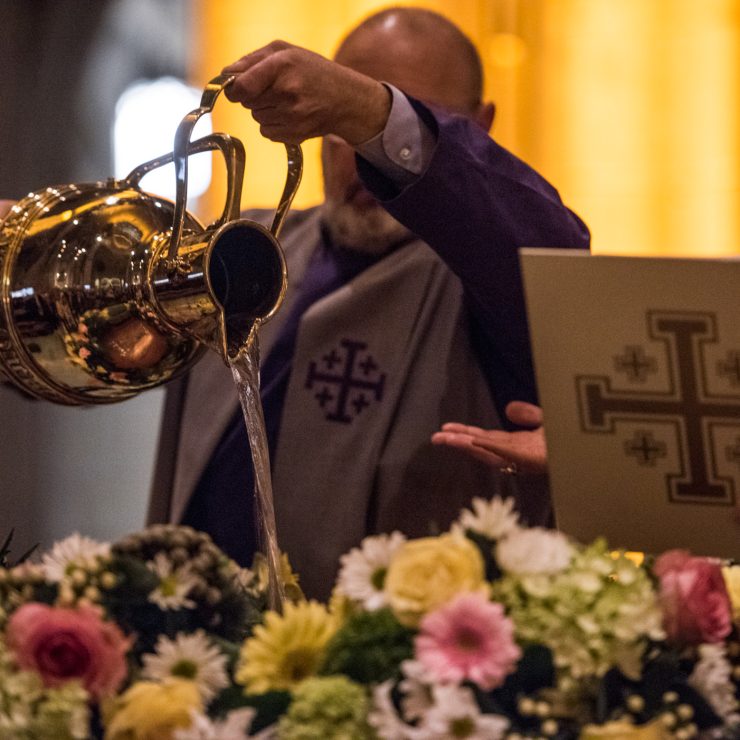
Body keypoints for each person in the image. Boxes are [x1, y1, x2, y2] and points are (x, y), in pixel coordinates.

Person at [147, 6, 590, 599]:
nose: (361, 156)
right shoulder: (240, 250)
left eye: (380, 129)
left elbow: (555, 255)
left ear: (478, 129)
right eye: (340, 125)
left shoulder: (489, 278)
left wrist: (371, 112)